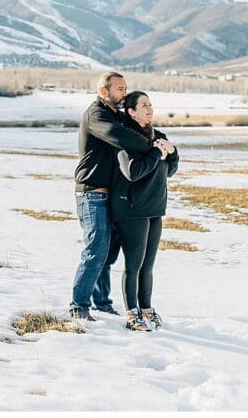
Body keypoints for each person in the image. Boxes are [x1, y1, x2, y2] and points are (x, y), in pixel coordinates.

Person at [69, 72, 166, 321]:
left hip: (110, 196)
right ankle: (78, 307)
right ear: (104, 91)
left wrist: (163, 142)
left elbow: (140, 126)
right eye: (120, 89)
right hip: (92, 193)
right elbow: (123, 137)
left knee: (107, 255)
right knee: (96, 251)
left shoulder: (116, 115)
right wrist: (155, 148)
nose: (125, 93)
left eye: (125, 88)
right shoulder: (97, 115)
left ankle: (102, 303)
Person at [110, 91, 178, 332]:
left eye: (150, 104)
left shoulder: (159, 136)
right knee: (134, 265)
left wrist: (173, 152)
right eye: (144, 105)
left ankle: (147, 309)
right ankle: (132, 314)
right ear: (131, 112)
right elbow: (133, 172)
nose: (150, 109)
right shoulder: (125, 138)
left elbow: (169, 171)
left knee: (148, 265)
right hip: (131, 209)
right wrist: (157, 153)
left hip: (155, 208)